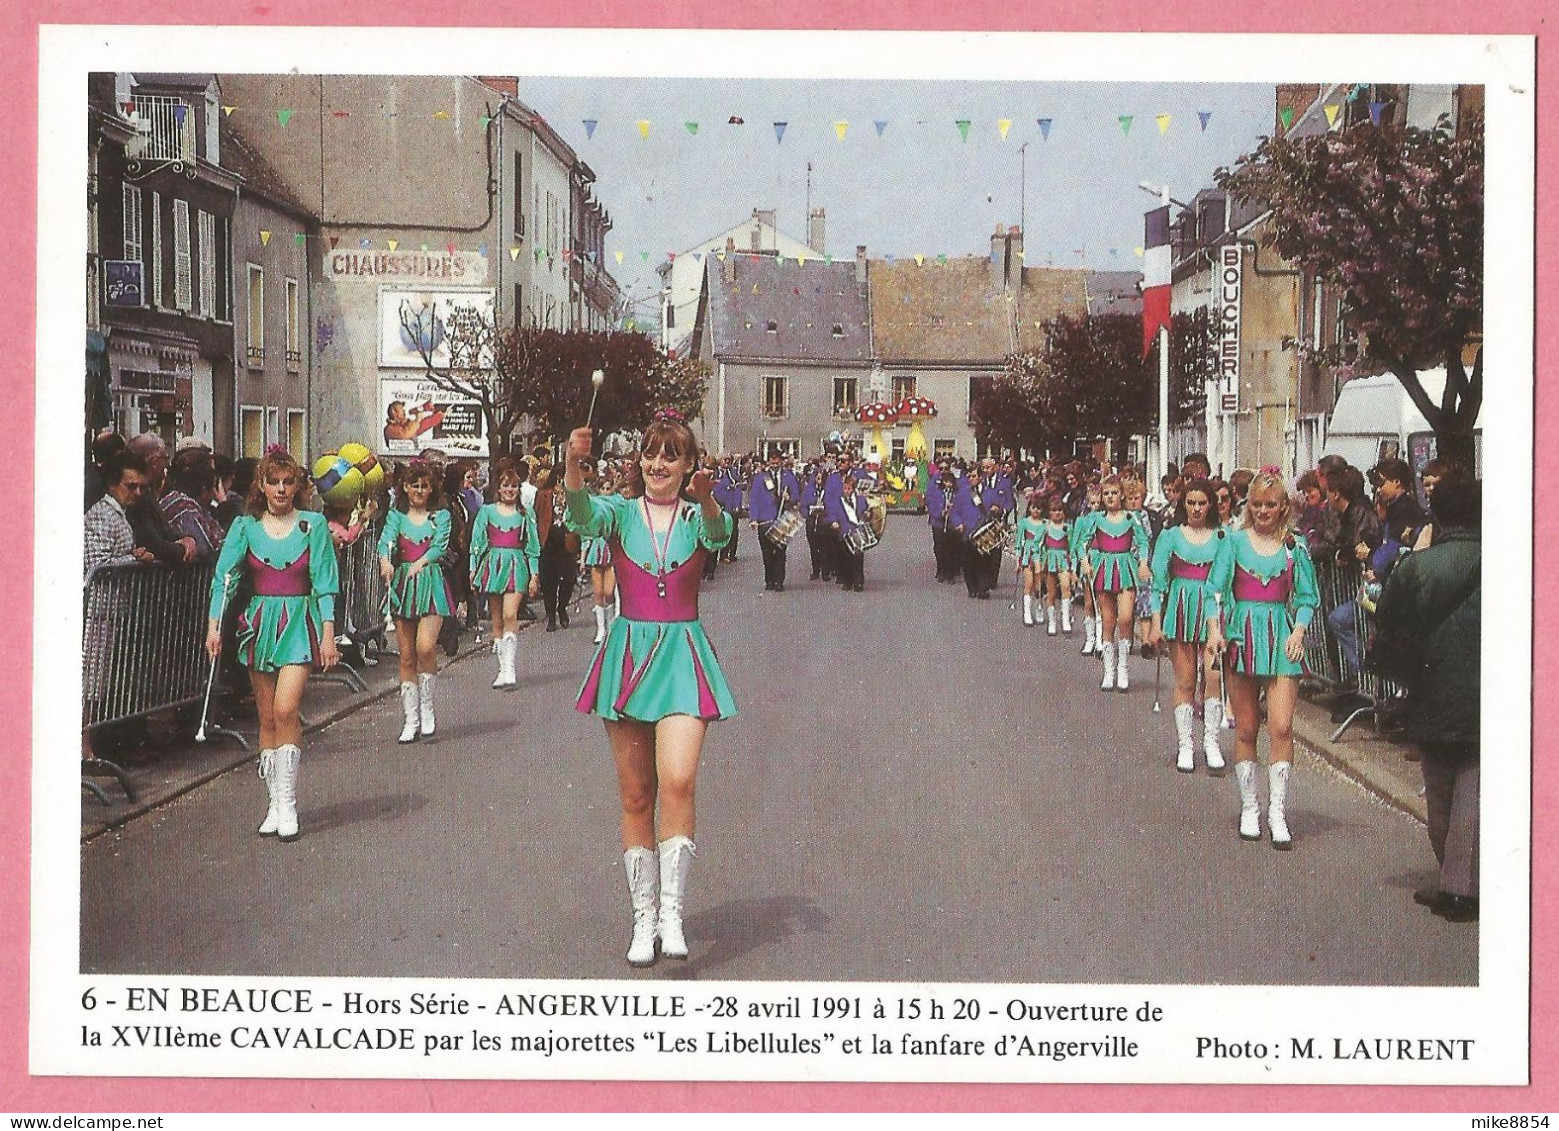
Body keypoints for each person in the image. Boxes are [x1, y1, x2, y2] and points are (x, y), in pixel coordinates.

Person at [563, 412, 736, 966]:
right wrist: (572, 464)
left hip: (683, 656)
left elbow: (719, 533)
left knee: (678, 780)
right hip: (629, 654)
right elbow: (580, 511)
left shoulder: (696, 515)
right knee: (637, 795)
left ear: (688, 465)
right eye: (651, 454)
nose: (658, 464)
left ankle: (672, 913)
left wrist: (706, 498)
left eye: (671, 455)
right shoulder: (619, 513)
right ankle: (642, 917)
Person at [205, 448, 340, 842]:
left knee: (286, 709)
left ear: (298, 486)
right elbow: (224, 578)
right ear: (261, 487)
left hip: (299, 622)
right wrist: (215, 627)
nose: (281, 489)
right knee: (265, 719)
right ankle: (274, 805)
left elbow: (325, 582)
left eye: (288, 482)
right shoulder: (245, 526)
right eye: (273, 482)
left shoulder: (313, 525)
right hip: (260, 624)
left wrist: (328, 633)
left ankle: (289, 801)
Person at [1374, 473, 1480, 922]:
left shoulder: (1418, 566)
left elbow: (1387, 617)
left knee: (1439, 787)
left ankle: (1454, 885)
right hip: (1489, 686)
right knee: (1474, 786)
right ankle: (1465, 884)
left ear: (1437, 514)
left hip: (1431, 683)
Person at [1205, 469, 1320, 848]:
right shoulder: (1233, 543)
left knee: (1283, 727)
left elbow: (1306, 597)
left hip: (1280, 638)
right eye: (1256, 504)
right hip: (1242, 637)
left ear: (1283, 506)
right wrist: (1215, 629)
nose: (1263, 510)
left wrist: (1300, 632)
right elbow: (1214, 589)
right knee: (1246, 729)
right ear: (1248, 506)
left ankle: (1278, 812)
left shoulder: (1294, 546)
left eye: (1270, 504)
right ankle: (1250, 807)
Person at [1148, 479, 1225, 773]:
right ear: (1184, 505)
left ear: (1210, 505)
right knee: (1186, 682)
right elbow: (1158, 584)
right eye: (1191, 503)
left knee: (1214, 676)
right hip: (1180, 609)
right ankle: (1186, 745)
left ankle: (1212, 742)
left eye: (1202, 503)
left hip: (1212, 612)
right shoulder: (1170, 537)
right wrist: (1156, 622)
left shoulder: (1221, 537)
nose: (1196, 509)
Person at [378, 459, 453, 743]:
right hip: (404, 586)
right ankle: (411, 719)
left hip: (430, 582)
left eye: (425, 485)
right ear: (405, 487)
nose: (420, 491)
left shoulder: (441, 516)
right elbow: (385, 541)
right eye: (415, 485)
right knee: (406, 655)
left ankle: (428, 708)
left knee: (425, 647)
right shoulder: (397, 515)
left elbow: (439, 546)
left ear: (431, 488)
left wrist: (420, 562)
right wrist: (386, 561)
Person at [470, 459, 541, 689]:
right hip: (493, 565)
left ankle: (510, 667)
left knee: (511, 614)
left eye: (513, 486)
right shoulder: (487, 511)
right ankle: (502, 669)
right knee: (497, 619)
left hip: (516, 565)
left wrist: (534, 574)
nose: (509, 490)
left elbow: (532, 546)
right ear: (498, 489)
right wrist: (473, 568)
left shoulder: (525, 513)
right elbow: (477, 542)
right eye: (506, 486)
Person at [1075, 476, 1148, 691]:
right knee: (1108, 620)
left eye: (1114, 493)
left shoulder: (1131, 517)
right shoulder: (1095, 518)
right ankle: (1109, 671)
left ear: (1121, 495)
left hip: (1125, 566)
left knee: (1126, 618)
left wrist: (1143, 563)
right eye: (1106, 493)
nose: (1109, 497)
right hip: (1104, 567)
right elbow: (1082, 543)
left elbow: (1143, 542)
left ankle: (1123, 667)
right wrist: (1085, 561)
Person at [84, 452, 156, 573]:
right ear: (112, 484)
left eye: (141, 487)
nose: (138, 493)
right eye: (131, 486)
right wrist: (135, 558)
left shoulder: (121, 512)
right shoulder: (101, 515)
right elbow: (96, 565)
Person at [748, 450, 802, 592]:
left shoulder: (789, 476)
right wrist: (753, 518)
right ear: (768, 461)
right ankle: (769, 580)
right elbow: (754, 499)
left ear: (781, 460)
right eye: (772, 460)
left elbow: (797, 495)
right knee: (766, 553)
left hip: (783, 519)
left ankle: (779, 581)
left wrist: (789, 497)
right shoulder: (761, 478)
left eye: (777, 459)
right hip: (765, 519)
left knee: (780, 551)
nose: (775, 462)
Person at [534, 468, 580, 632]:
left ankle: (562, 607)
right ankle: (551, 616)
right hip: (548, 539)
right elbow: (537, 515)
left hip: (567, 539)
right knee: (548, 581)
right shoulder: (543, 494)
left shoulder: (574, 494)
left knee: (568, 578)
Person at [579, 462, 618, 642]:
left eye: (608, 488)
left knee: (609, 592)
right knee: (598, 592)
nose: (606, 491)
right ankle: (601, 629)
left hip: (610, 551)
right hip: (596, 549)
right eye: (603, 488)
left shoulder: (616, 508)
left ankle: (611, 624)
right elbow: (586, 535)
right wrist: (582, 559)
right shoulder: (594, 508)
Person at [825, 469, 872, 593]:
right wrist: (833, 522)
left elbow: (866, 513)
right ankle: (847, 581)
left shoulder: (861, 500)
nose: (846, 491)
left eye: (848, 489)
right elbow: (832, 513)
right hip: (844, 532)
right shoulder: (838, 501)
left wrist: (867, 514)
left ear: (853, 489)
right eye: (844, 488)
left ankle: (859, 582)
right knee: (845, 558)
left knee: (858, 558)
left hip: (857, 531)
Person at [1035, 495, 1075, 635]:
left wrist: (1073, 565)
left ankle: (1065, 619)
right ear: (1049, 512)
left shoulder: (1067, 527)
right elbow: (1037, 545)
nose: (1057, 513)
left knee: (1065, 586)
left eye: (1060, 510)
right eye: (1054, 510)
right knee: (1051, 592)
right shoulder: (1045, 527)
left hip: (1063, 559)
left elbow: (1072, 547)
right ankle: (1052, 621)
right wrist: (1038, 561)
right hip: (1050, 559)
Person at [1014, 496, 1046, 626]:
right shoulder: (1024, 523)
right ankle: (1027, 612)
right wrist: (1018, 560)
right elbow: (1018, 543)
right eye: (1033, 507)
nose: (1036, 510)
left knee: (1038, 585)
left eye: (1039, 508)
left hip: (1040, 555)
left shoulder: (1045, 524)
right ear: (1029, 508)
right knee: (1029, 582)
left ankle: (1038, 607)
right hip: (1027, 555)